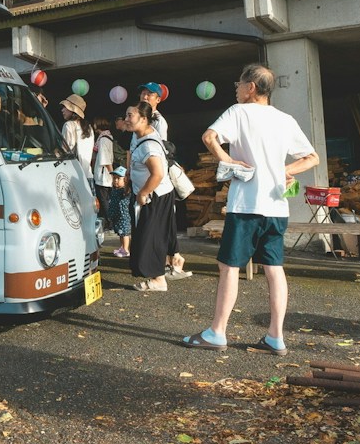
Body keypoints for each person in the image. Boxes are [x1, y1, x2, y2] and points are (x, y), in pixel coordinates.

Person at [184, 64, 319, 354]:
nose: (236, 88)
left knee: (229, 267)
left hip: (246, 205)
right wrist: (284, 170)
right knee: (274, 269)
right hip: (276, 206)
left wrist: (227, 160)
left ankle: (217, 332)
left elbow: (209, 137)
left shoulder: (238, 112)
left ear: (251, 88)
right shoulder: (285, 119)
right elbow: (312, 158)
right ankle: (275, 337)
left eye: (239, 83)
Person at [125, 101, 176, 291]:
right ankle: (160, 273)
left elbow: (158, 174)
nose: (126, 120)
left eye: (130, 116)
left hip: (154, 195)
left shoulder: (149, 146)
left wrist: (143, 193)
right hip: (151, 195)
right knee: (150, 236)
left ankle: (158, 279)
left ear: (144, 119)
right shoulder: (141, 135)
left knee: (151, 237)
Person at [91, 116, 130, 258]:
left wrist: (111, 173)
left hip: (103, 176)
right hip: (108, 175)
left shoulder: (103, 139)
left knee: (104, 200)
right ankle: (114, 227)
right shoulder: (108, 137)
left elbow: (104, 159)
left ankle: (110, 222)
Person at [58, 94, 93, 176]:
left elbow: (64, 151)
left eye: (65, 107)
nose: (62, 110)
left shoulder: (69, 125)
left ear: (72, 110)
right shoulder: (89, 127)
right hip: (87, 174)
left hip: (73, 174)